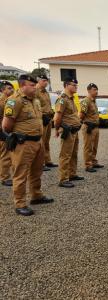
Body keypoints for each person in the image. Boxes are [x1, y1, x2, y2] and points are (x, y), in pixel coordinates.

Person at [2, 74, 53, 216]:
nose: (35, 87)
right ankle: (20, 204)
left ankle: (36, 195)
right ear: (22, 85)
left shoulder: (35, 100)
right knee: (21, 174)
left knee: (37, 171)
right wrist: (16, 136)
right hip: (23, 143)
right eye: (32, 85)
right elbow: (6, 125)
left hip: (38, 141)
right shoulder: (14, 101)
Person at [53, 78, 84, 188]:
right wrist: (57, 129)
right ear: (66, 85)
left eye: (76, 85)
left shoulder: (71, 99)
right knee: (65, 155)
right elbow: (57, 117)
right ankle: (63, 179)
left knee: (73, 154)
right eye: (74, 85)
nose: (76, 86)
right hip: (68, 131)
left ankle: (72, 174)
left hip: (74, 131)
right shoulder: (62, 99)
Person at [80, 83, 103, 172]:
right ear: (89, 90)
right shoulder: (86, 101)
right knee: (88, 147)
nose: (96, 91)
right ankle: (88, 165)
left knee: (94, 146)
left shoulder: (93, 101)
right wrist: (86, 123)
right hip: (89, 127)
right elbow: (81, 115)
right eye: (94, 90)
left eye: (97, 90)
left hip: (95, 127)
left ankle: (93, 161)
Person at [35, 74, 57, 171]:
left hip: (48, 118)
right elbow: (35, 106)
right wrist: (42, 116)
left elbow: (47, 105)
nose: (46, 82)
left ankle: (47, 160)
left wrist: (51, 114)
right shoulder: (35, 92)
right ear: (38, 81)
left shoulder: (45, 92)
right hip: (41, 119)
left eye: (46, 80)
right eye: (44, 80)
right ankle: (40, 163)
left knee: (46, 141)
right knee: (41, 142)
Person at [0, 80, 14, 186]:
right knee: (5, 155)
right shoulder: (1, 101)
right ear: (2, 90)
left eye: (12, 88)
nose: (12, 90)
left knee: (9, 154)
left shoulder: (10, 100)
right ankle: (4, 178)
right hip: (3, 132)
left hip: (8, 131)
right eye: (9, 88)